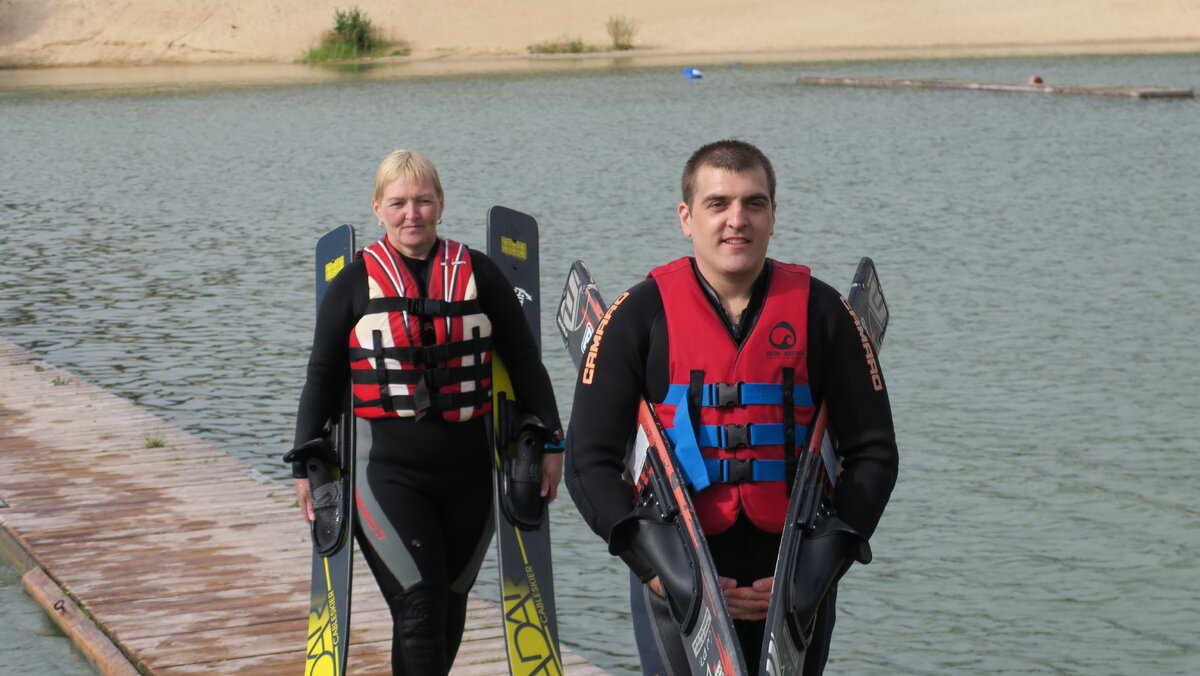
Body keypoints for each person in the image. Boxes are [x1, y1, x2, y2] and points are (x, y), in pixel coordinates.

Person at [564, 140, 898, 674]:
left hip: (795, 574)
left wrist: (820, 565)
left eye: (754, 204)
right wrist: (657, 567)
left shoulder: (824, 312)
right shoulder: (637, 316)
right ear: (686, 218)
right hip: (676, 570)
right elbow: (588, 461)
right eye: (717, 204)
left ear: (773, 216)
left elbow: (874, 453)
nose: (736, 220)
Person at [290, 149, 562, 675]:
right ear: (377, 208)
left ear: (440, 205)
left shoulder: (479, 273)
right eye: (398, 203)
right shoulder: (354, 282)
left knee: (447, 612)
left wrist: (552, 440)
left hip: (470, 477)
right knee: (419, 606)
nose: (411, 213)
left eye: (423, 201)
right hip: (386, 475)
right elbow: (321, 376)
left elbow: (526, 361)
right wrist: (305, 461)